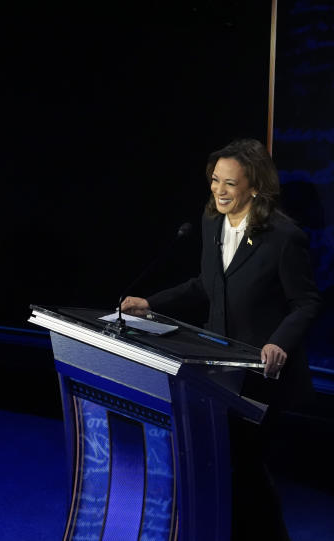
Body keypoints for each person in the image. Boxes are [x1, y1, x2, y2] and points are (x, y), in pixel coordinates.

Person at [121, 138, 321, 540]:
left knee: (244, 462)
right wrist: (151, 302)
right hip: (218, 371)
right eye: (215, 180)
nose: (219, 190)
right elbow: (205, 284)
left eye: (230, 183)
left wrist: (279, 342)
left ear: (254, 187)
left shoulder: (283, 237)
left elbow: (307, 302)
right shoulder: (212, 220)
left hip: (264, 377)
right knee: (230, 464)